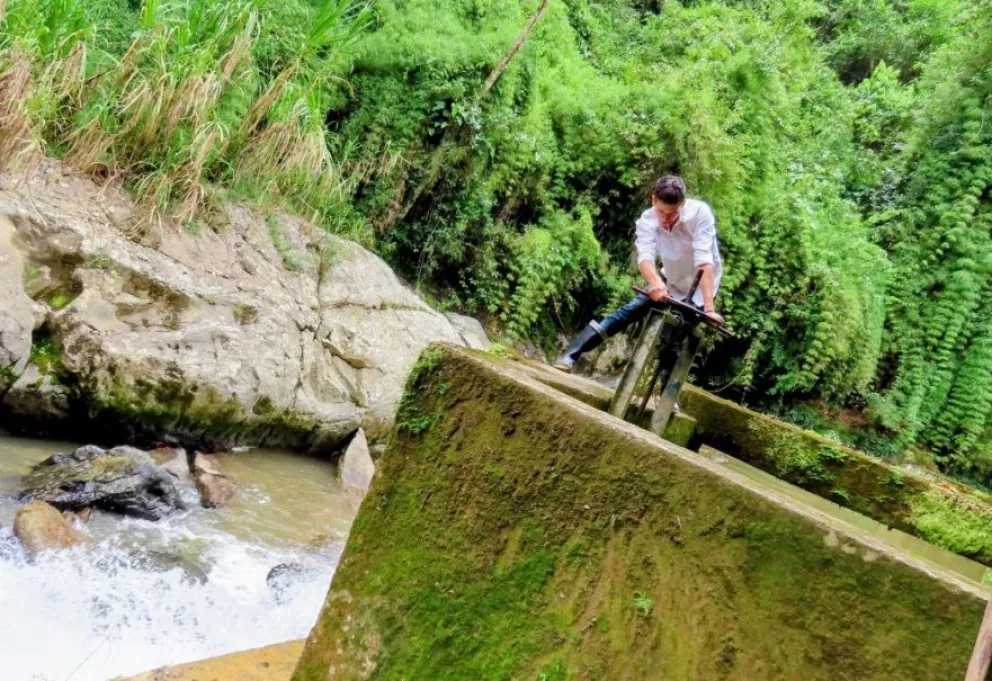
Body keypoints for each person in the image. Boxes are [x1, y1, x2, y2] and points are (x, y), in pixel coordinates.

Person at [554, 175, 723, 371]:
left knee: (673, 336)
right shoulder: (647, 220)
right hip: (669, 277)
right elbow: (645, 257)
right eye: (661, 212)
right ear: (653, 200)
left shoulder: (700, 213)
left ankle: (667, 396)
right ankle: (571, 354)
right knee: (630, 310)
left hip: (700, 288)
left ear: (682, 204)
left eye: (672, 213)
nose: (666, 219)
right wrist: (655, 283)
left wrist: (709, 310)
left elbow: (704, 261)